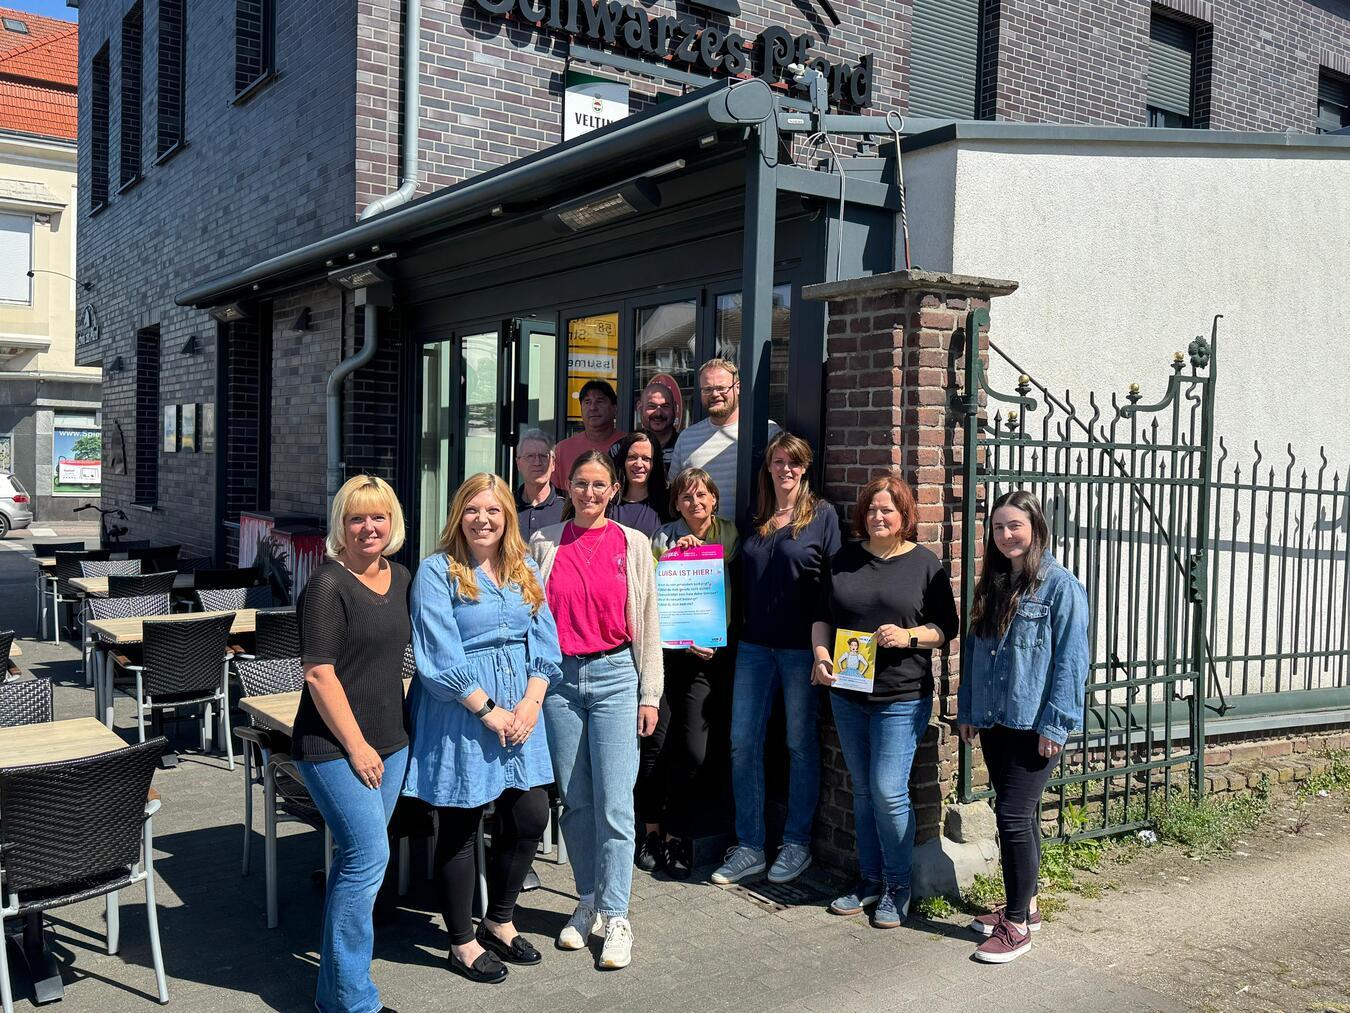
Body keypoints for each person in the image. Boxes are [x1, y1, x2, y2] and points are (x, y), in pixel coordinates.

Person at [404, 473, 563, 985]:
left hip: (522, 708)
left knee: (530, 814)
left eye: (493, 511)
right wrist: (489, 710)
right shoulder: (436, 571)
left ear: (507, 518)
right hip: (462, 710)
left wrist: (532, 701)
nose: (483, 519)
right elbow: (437, 653)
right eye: (473, 510)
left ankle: (499, 919)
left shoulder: (525, 567)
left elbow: (545, 640)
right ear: (458, 515)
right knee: (460, 822)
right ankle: (461, 941)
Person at [529, 451, 663, 971]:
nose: (589, 493)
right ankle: (587, 902)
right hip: (560, 679)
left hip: (614, 677)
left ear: (612, 490)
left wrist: (650, 693)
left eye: (599, 484)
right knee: (576, 800)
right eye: (580, 484)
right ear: (569, 488)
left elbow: (648, 622)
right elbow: (531, 622)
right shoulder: (544, 544)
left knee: (615, 801)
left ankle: (618, 913)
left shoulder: (633, 545)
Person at [811, 474, 959, 928]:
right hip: (849, 693)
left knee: (887, 791)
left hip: (901, 697)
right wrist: (819, 657)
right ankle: (870, 879)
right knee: (861, 790)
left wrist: (908, 635)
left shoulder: (924, 564)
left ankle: (898, 886)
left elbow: (945, 629)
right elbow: (822, 618)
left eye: (888, 510)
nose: (879, 516)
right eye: (873, 509)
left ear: (904, 516)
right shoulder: (843, 561)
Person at [292, 474, 411, 1013]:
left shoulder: (402, 576)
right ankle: (354, 1002)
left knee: (354, 863)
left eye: (378, 516)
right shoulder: (327, 584)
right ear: (341, 524)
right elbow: (319, 675)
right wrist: (358, 746)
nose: (369, 527)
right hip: (335, 747)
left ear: (393, 522)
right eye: (358, 517)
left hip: (393, 741)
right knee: (367, 858)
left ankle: (329, 995)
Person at [958, 489, 1089, 964]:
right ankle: (1026, 907)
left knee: (1012, 818)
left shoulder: (1060, 587)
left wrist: (1056, 724)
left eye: (1015, 525)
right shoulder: (993, 583)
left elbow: (1072, 662)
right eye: (998, 528)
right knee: (1021, 815)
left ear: (1035, 528)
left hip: (1034, 724)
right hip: (995, 720)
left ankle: (1015, 926)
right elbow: (975, 651)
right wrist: (968, 710)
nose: (1006, 535)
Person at [712, 432, 839, 887]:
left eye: (794, 462)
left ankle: (796, 843)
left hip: (801, 649)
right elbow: (726, 562)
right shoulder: (758, 515)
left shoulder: (823, 517)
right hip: (753, 647)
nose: (785, 468)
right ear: (768, 466)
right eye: (778, 461)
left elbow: (834, 587)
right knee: (742, 742)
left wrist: (829, 649)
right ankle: (749, 845)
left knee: (799, 745)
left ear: (805, 468)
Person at [637, 466, 740, 879]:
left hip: (704, 658)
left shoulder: (727, 531)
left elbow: (726, 553)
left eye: (702, 496)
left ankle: (680, 833)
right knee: (656, 745)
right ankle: (652, 833)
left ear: (714, 499)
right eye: (686, 497)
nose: (695, 504)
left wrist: (698, 546)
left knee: (693, 750)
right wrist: (675, 551)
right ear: (676, 503)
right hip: (664, 656)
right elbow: (649, 579)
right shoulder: (661, 536)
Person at [669, 359, 779, 521]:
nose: (714, 394)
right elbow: (675, 492)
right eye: (707, 389)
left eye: (721, 388)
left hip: (753, 537)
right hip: (701, 542)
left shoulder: (767, 432)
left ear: (738, 387)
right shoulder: (687, 437)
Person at [553, 380, 624, 490]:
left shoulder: (628, 445)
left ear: (614, 408)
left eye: (600, 401)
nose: (593, 408)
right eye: (587, 402)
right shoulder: (562, 449)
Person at [606, 429, 670, 538]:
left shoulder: (668, 504)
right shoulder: (607, 502)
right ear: (623, 461)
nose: (639, 464)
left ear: (655, 464)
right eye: (632, 457)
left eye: (646, 459)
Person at [514, 429, 565, 536]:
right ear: (518, 464)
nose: (537, 463)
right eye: (530, 456)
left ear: (553, 464)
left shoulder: (568, 506)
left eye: (543, 456)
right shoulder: (507, 505)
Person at [639, 375, 682, 474]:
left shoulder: (686, 446)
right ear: (640, 408)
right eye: (652, 406)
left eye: (665, 406)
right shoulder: (623, 448)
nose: (658, 413)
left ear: (675, 408)